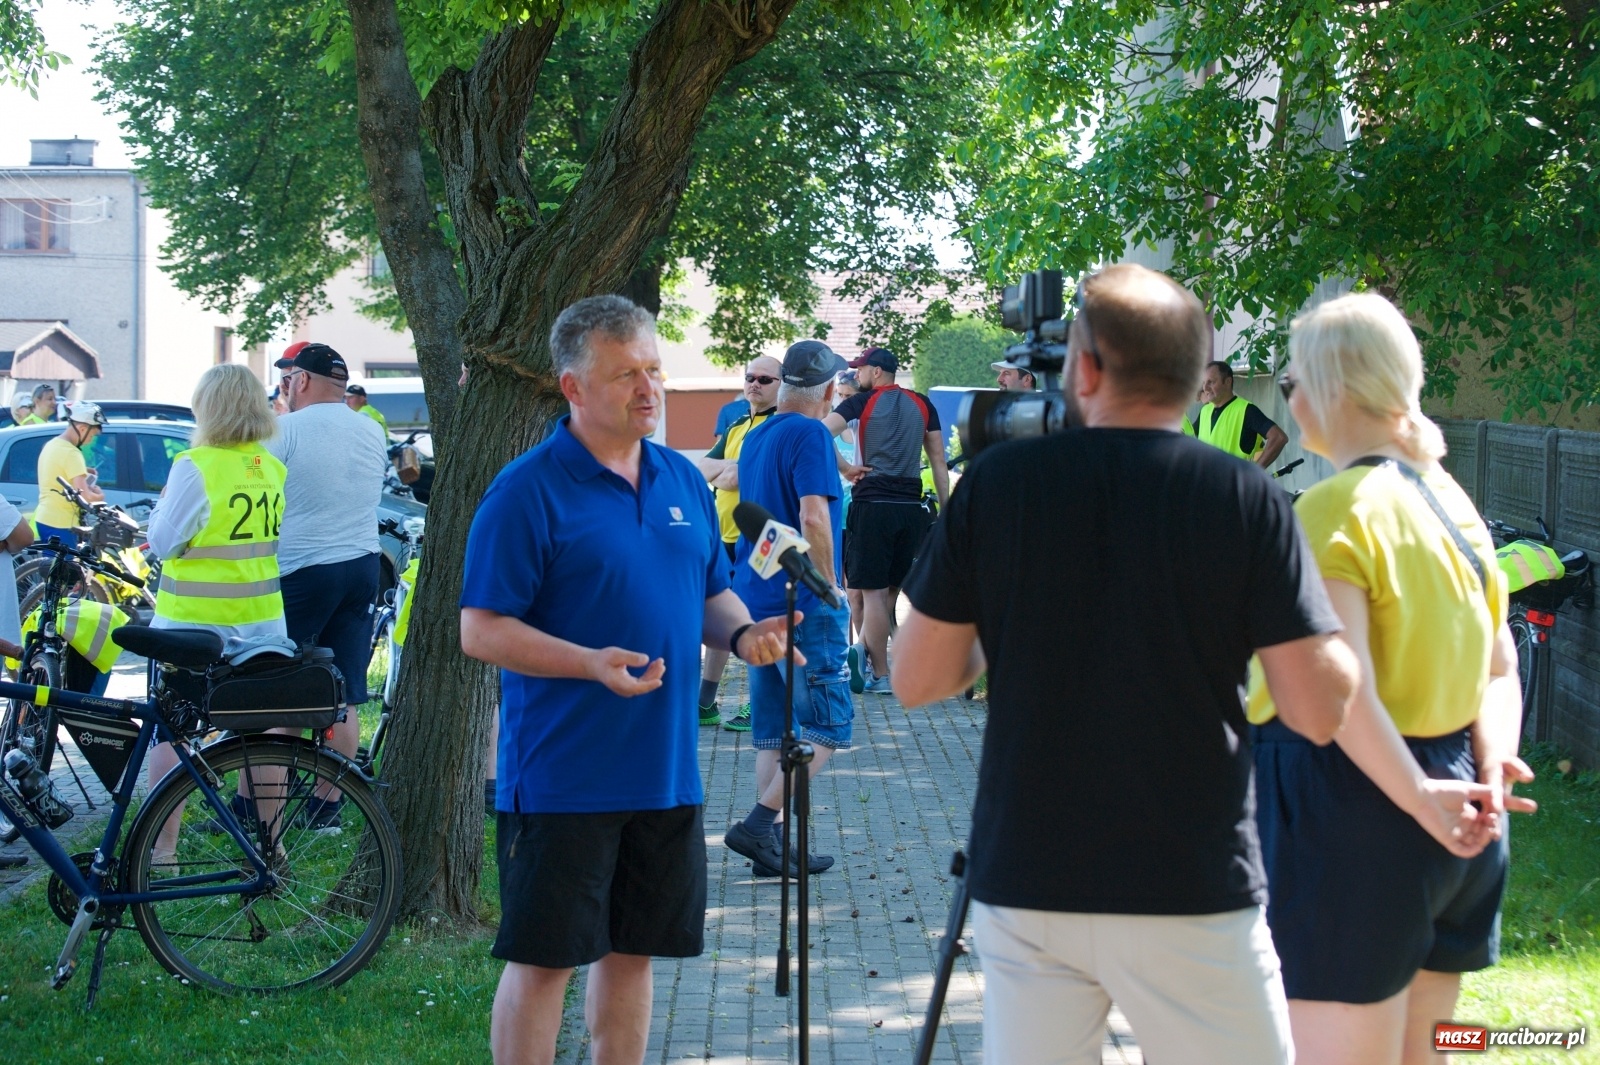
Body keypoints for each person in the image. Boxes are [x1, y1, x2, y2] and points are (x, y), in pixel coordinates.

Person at [891, 262, 1359, 1065]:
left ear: (1087, 367)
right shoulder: (1240, 495)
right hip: (1190, 875)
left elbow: (918, 679)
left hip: (1030, 874)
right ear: (1195, 375)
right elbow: (1318, 709)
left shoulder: (998, 484)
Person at [458, 294, 797, 1065]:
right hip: (564, 775)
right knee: (546, 961)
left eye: (654, 370)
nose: (649, 390)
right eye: (624, 376)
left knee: (635, 952)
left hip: (666, 771)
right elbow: (479, 629)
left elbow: (709, 590)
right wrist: (586, 662)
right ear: (573, 387)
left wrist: (745, 634)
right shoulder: (526, 489)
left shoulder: (682, 479)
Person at [1247, 292, 1527, 1065]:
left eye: (1294, 379)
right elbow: (1499, 666)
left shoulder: (1333, 508)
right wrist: (1492, 767)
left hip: (1354, 811)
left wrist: (1416, 799)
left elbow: (1342, 695)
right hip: (1461, 805)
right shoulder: (1455, 504)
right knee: (1422, 1054)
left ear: (1334, 387)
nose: (1289, 398)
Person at [144, 363, 287, 854]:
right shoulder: (270, 467)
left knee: (175, 732)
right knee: (264, 733)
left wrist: (164, 505)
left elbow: (163, 542)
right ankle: (273, 844)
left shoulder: (196, 464)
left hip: (195, 630)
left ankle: (162, 853)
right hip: (263, 628)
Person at [724, 339, 851, 877]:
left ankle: (769, 848)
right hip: (800, 600)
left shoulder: (757, 436)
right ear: (826, 391)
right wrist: (829, 588)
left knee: (775, 731)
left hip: (757, 599)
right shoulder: (810, 434)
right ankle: (757, 826)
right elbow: (813, 516)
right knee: (827, 726)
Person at [270, 340, 390, 828]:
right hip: (361, 562)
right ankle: (328, 806)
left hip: (303, 566)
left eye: (286, 379)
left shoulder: (286, 428)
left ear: (299, 381)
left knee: (277, 690)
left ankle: (259, 807)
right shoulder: (369, 430)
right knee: (343, 693)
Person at [822, 346, 949, 693]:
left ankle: (880, 674)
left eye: (859, 369)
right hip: (910, 509)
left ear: (876, 372)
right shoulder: (923, 403)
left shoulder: (859, 404)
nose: (856, 375)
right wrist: (949, 510)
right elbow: (938, 460)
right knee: (891, 591)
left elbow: (818, 433)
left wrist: (846, 469)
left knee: (874, 595)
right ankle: (862, 649)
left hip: (872, 505)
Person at [695, 355, 782, 730]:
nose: (755, 384)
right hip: (724, 538)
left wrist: (730, 470)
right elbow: (704, 469)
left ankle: (759, 703)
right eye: (750, 377)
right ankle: (705, 703)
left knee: (756, 620)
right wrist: (727, 468)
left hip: (761, 537)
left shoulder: (778, 426)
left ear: (782, 384)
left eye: (765, 379)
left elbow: (733, 477)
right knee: (718, 620)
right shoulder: (736, 423)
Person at [34, 401, 106, 546]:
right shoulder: (72, 453)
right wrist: (99, 495)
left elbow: (57, 470)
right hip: (63, 523)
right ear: (82, 428)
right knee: (66, 567)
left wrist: (83, 470)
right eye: (92, 435)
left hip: (45, 518)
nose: (90, 440)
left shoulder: (52, 445)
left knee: (52, 565)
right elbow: (85, 497)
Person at [1197, 360, 1289, 467]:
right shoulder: (1205, 411)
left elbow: (1278, 437)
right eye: (1203, 383)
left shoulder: (1246, 410)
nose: (1205, 388)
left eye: (1211, 382)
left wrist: (1255, 472)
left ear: (1227, 382)